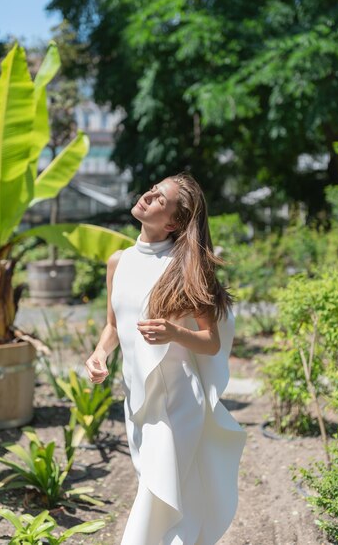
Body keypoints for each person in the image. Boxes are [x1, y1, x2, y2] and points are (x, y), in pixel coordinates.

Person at [85, 173, 247, 545]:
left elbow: (211, 343)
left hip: (178, 404)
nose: (148, 196)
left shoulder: (185, 267)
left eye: (160, 198)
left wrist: (176, 333)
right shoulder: (118, 261)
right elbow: (113, 325)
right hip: (139, 401)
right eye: (152, 190)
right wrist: (99, 354)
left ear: (174, 221)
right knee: (171, 498)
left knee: (156, 501)